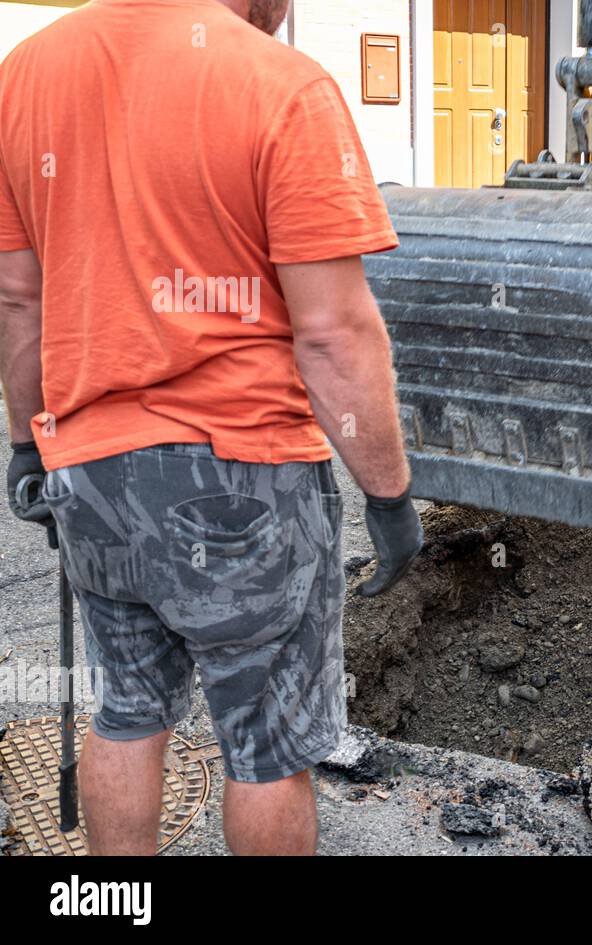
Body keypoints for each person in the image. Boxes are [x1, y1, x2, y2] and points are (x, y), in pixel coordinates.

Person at [0, 0, 423, 855]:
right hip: (246, 480)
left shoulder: (23, 77)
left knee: (127, 709)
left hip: (88, 472)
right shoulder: (282, 84)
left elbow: (17, 297)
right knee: (265, 743)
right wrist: (389, 496)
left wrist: (24, 445)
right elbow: (335, 332)